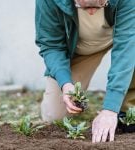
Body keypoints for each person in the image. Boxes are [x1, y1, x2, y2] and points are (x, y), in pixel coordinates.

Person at [35, 0, 135, 143]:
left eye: (100, 5)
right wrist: (66, 84)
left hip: (127, 37)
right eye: (84, 6)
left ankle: (128, 108)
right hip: (82, 48)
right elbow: (51, 44)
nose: (92, 12)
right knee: (54, 116)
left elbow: (126, 49)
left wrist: (110, 109)